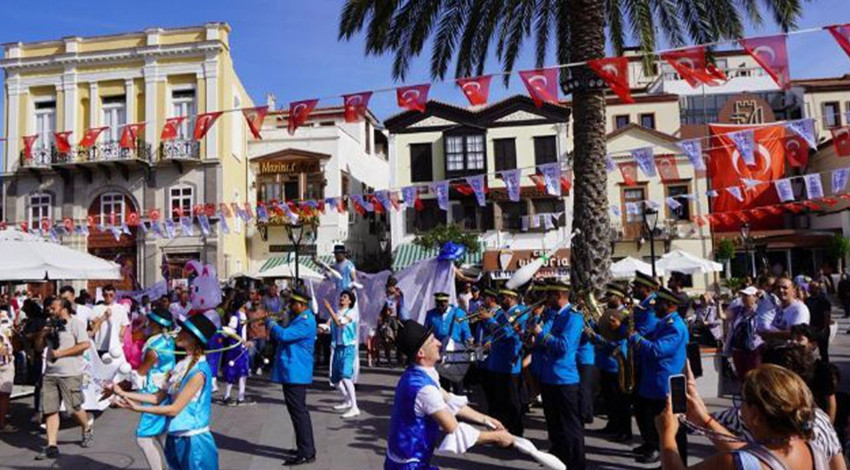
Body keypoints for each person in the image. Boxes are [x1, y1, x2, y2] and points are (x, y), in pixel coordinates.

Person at [384, 319, 514, 469]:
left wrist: (487, 420)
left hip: (406, 460)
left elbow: (448, 400)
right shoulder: (424, 389)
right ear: (421, 353)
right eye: (432, 340)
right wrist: (497, 437)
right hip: (409, 465)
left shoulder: (418, 374)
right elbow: (455, 429)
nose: (439, 343)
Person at [655, 363, 829, 470]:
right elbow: (750, 452)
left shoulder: (731, 462)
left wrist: (667, 435)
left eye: (742, 400)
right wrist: (705, 420)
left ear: (755, 415)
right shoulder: (813, 450)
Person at [111, 314, 219, 470]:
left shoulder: (198, 372)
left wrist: (136, 407)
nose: (178, 332)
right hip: (176, 437)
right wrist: (122, 393)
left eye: (184, 331)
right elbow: (156, 398)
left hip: (194, 441)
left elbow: (174, 409)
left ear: (194, 339)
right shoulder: (181, 365)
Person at [713, 343, 846, 470]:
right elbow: (839, 465)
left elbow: (748, 461)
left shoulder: (753, 416)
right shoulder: (818, 420)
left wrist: (704, 420)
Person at [610, 287, 689, 465]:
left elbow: (656, 350)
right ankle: (666, 463)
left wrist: (633, 337)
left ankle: (679, 465)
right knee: (660, 427)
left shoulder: (675, 327)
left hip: (666, 384)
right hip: (656, 382)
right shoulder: (664, 323)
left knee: (674, 431)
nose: (655, 306)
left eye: (659, 303)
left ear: (670, 305)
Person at [531, 281, 586, 470]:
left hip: (564, 379)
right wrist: (537, 325)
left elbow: (564, 347)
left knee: (571, 427)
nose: (546, 299)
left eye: (550, 295)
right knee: (554, 425)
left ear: (559, 296)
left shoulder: (573, 317)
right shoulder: (553, 316)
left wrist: (541, 335)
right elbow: (540, 339)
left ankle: (576, 464)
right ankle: (558, 458)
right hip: (549, 377)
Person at [35, 298, 94, 460]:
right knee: (50, 410)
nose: (50, 310)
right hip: (50, 373)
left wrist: (62, 353)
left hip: (70, 373)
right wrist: (42, 334)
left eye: (53, 308)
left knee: (74, 408)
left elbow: (84, 345)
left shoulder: (75, 324)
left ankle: (86, 426)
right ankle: (51, 445)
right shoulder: (50, 324)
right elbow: (39, 347)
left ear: (64, 309)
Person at [267, 289, 317, 466]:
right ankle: (304, 447)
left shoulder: (305, 321)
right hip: (293, 371)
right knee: (296, 412)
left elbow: (284, 335)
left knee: (299, 413)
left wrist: (271, 324)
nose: (290, 306)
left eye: (293, 304)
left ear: (301, 305)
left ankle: (306, 451)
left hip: (296, 372)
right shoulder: (299, 318)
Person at [130, 308, 176, 470]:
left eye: (151, 322)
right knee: (162, 434)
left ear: (158, 324)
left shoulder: (154, 346)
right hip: (165, 391)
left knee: (143, 437)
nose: (148, 324)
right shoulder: (169, 340)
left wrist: (122, 382)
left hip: (154, 394)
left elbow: (141, 372)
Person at [479, 289, 525, 437]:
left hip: (509, 364)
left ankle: (516, 431)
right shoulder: (500, 313)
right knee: (499, 399)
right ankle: (501, 429)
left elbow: (505, 334)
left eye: (502, 297)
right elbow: (492, 334)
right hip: (496, 362)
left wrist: (489, 320)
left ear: (512, 297)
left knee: (511, 400)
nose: (499, 300)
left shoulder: (520, 311)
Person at [424, 292, 472, 393]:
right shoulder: (430, 314)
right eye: (438, 303)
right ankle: (445, 406)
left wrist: (469, 340)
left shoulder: (459, 313)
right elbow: (427, 334)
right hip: (439, 353)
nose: (440, 305)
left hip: (456, 351)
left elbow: (466, 332)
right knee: (443, 383)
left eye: (443, 303)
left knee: (457, 382)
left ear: (447, 302)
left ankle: (459, 405)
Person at [323, 290, 360, 418]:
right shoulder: (337, 312)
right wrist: (323, 328)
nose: (341, 298)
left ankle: (355, 407)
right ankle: (347, 400)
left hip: (348, 347)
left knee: (345, 376)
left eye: (344, 297)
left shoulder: (352, 313)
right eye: (341, 296)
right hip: (338, 347)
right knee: (335, 379)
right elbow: (329, 325)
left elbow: (339, 323)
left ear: (350, 301)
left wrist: (328, 308)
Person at [790, 325, 837, 423]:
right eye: (792, 339)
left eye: (799, 339)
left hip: (816, 418)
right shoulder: (787, 365)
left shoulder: (823, 369)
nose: (794, 342)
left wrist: (829, 425)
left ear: (813, 344)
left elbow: (830, 401)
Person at [724, 287, 763, 380]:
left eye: (747, 295)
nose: (744, 298)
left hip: (754, 349)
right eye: (743, 295)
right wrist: (718, 303)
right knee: (741, 375)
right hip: (738, 348)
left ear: (755, 297)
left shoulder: (760, 310)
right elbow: (723, 315)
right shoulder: (738, 310)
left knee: (753, 375)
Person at [760, 277, 810, 344]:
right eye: (778, 287)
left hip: (791, 351)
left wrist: (770, 334)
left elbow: (797, 334)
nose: (781, 290)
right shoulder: (776, 308)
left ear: (793, 290)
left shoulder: (800, 308)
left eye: (785, 288)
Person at [221, 303, 252, 406]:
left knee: (243, 372)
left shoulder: (244, 315)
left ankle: (241, 397)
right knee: (231, 371)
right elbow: (230, 333)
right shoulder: (235, 317)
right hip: (235, 349)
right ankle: (227, 396)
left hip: (242, 349)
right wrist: (243, 341)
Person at [91, 284, 131, 357]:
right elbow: (93, 325)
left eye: (111, 295)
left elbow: (124, 324)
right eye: (106, 295)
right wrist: (104, 316)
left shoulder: (121, 308)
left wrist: (120, 335)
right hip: (101, 344)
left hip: (115, 344)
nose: (108, 297)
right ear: (103, 295)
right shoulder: (96, 308)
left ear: (114, 295)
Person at [805, 281, 832, 363]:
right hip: (810, 329)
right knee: (808, 351)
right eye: (811, 287)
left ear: (818, 289)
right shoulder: (807, 300)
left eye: (814, 287)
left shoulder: (824, 301)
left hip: (821, 329)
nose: (812, 289)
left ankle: (825, 368)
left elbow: (827, 315)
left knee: (823, 352)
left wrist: (824, 328)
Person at [0, 309, 16, 432]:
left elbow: (10, 334)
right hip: (3, 362)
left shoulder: (4, 315)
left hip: (6, 362)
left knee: (4, 393)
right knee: (4, 394)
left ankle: (2, 422)